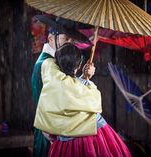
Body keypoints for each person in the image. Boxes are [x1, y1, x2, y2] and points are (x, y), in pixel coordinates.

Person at [34, 43, 132, 157]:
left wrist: (84, 78)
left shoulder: (50, 87)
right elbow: (78, 93)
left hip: (65, 145)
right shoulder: (88, 89)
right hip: (94, 139)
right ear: (79, 65)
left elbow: (68, 88)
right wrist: (86, 80)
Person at [31, 14, 94, 157]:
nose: (69, 44)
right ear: (51, 38)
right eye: (66, 39)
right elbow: (62, 98)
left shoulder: (56, 62)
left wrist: (84, 77)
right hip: (50, 133)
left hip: (61, 131)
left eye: (72, 40)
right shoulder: (46, 65)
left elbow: (66, 91)